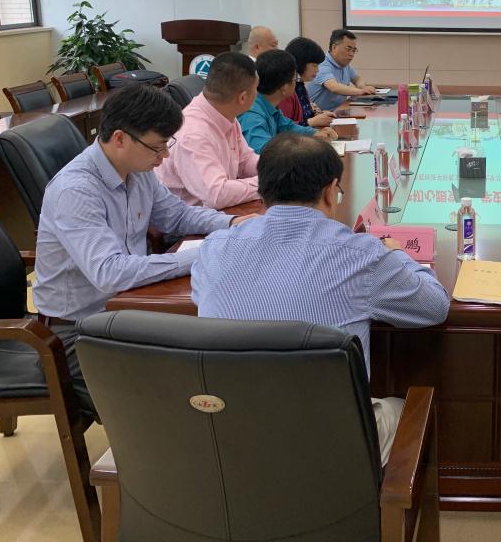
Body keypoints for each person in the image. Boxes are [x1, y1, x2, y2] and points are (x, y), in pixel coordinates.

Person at [192, 134, 451, 464]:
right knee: (404, 408)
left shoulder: (215, 248)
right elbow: (434, 307)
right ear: (330, 191)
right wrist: (397, 254)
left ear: (261, 191)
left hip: (230, 437)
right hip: (330, 446)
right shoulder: (362, 256)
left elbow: (202, 296)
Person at [33, 84, 252, 412]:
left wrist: (232, 224)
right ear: (120, 138)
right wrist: (202, 255)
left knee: (219, 350)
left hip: (129, 308)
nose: (165, 157)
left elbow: (176, 215)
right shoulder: (76, 191)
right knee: (181, 391)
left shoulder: (137, 169)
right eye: (158, 147)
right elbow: (111, 273)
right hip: (79, 331)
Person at [156, 52, 261, 209]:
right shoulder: (193, 134)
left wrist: (280, 170)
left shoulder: (225, 113)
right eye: (256, 89)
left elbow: (244, 161)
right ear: (242, 98)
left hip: (215, 213)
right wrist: (268, 183)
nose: (257, 94)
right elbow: (217, 195)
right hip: (182, 221)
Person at [238, 49, 337, 152]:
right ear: (284, 88)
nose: (296, 83)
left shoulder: (269, 105)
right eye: (295, 79)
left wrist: (314, 133)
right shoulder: (252, 115)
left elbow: (287, 126)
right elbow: (263, 153)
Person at [307, 28, 378, 111]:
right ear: (334, 47)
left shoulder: (344, 64)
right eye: (348, 49)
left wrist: (362, 86)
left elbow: (357, 79)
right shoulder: (322, 64)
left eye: (354, 50)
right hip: (320, 115)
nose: (351, 54)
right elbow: (334, 87)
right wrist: (361, 91)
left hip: (339, 112)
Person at [280, 36, 335, 128]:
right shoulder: (286, 89)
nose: (317, 70)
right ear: (300, 63)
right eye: (314, 65)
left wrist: (318, 115)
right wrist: (312, 121)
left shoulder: (299, 84)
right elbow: (283, 128)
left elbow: (305, 114)